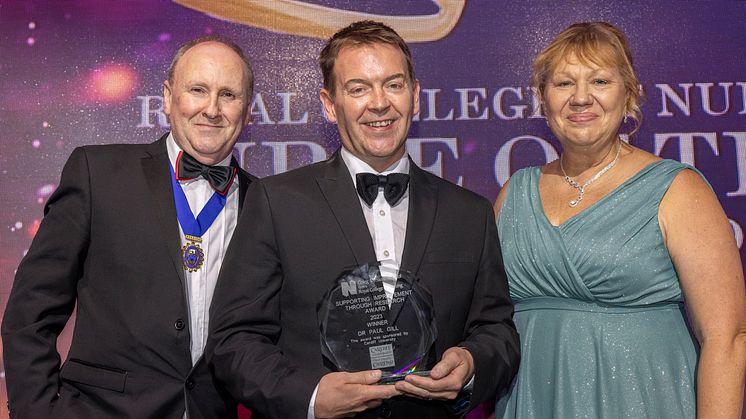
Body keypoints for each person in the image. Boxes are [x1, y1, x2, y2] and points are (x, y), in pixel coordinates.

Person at [206, 20, 520, 419]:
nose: (379, 103)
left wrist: (472, 363)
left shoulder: (470, 212)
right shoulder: (276, 202)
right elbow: (234, 339)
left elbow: (499, 331)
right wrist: (311, 395)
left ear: (415, 94)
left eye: (393, 84)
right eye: (358, 89)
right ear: (328, 103)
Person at [494, 21, 746, 418]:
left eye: (599, 81)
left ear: (629, 94)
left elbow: (726, 339)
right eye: (563, 84)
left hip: (645, 400)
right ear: (542, 99)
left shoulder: (678, 190)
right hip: (532, 401)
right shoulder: (513, 194)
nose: (581, 98)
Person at [1, 35, 257, 419]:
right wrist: (38, 411)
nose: (212, 108)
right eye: (198, 90)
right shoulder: (97, 173)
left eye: (228, 95)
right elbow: (30, 312)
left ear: (247, 110)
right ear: (169, 97)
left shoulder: (265, 202)